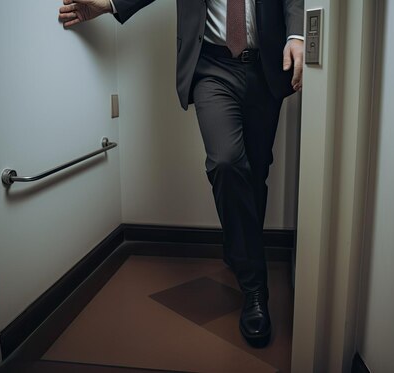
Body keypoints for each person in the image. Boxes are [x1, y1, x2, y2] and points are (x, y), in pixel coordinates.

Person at [58, 0, 304, 348]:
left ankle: (238, 251)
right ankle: (255, 288)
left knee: (255, 173)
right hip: (212, 67)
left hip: (265, 69)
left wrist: (297, 33)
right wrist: (108, 5)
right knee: (226, 163)